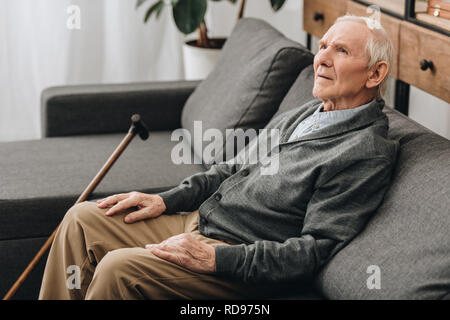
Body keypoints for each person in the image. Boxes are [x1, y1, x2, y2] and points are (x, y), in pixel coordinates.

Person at [39, 15, 399, 299]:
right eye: (323, 46)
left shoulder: (365, 152)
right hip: (202, 220)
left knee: (119, 269)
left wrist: (215, 259)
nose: (322, 58)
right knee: (83, 219)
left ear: (375, 73)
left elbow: (313, 251)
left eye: (342, 51)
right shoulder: (306, 112)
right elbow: (230, 169)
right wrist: (165, 200)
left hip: (240, 260)